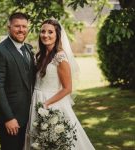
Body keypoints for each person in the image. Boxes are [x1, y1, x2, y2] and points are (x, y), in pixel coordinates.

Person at [24, 19, 95, 150]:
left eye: (50, 32)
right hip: (36, 100)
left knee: (56, 142)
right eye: (43, 31)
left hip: (51, 104)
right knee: (38, 141)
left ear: (57, 35)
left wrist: (46, 104)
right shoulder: (40, 55)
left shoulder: (60, 57)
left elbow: (68, 88)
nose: (45, 35)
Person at [0, 12, 35, 150]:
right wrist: (8, 118)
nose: (21, 30)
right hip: (11, 119)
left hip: (29, 116)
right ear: (9, 27)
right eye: (17, 26)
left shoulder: (28, 49)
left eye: (24, 26)